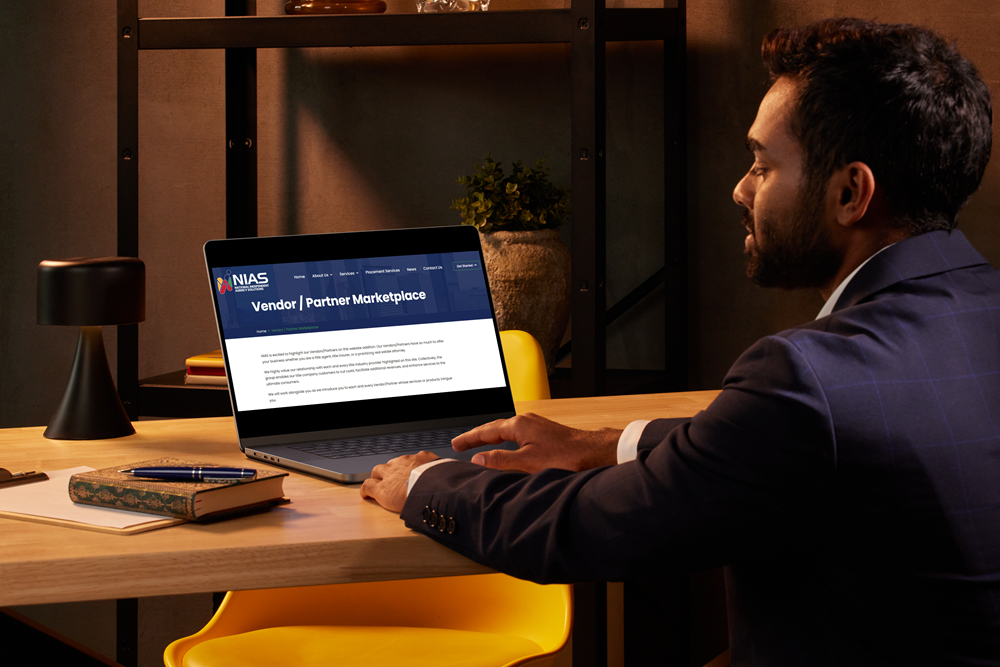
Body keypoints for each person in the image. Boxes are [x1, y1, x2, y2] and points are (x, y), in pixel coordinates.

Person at [362, 18, 1000, 665]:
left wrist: (426, 482)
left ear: (849, 192)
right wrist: (607, 443)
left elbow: (586, 528)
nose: (740, 189)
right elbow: (817, 443)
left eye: (761, 164)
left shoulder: (805, 378)